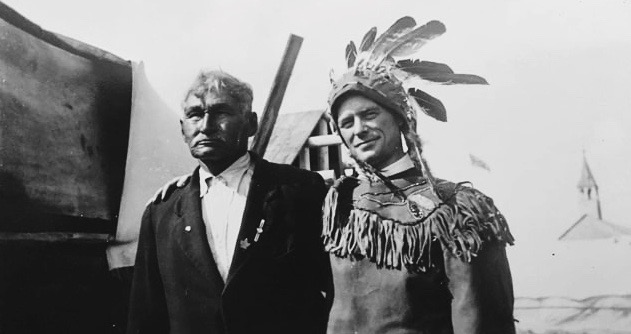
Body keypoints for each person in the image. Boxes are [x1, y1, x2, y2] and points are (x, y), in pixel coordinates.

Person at [321, 17, 516, 333]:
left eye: (370, 114)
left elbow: (479, 318)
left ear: (400, 119)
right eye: (347, 123)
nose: (359, 130)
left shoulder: (457, 208)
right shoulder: (340, 202)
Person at [127, 70, 332, 334]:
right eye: (195, 114)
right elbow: (146, 316)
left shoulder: (300, 191)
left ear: (251, 124)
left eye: (221, 112)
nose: (206, 125)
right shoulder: (161, 212)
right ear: (182, 129)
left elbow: (329, 290)